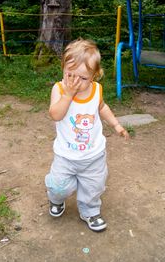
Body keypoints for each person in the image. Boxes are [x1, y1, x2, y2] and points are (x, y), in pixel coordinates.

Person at [45, 38, 129, 232]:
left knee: (94, 186)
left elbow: (102, 107)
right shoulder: (59, 89)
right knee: (59, 186)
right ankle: (56, 198)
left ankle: (90, 211)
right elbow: (55, 115)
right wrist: (68, 95)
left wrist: (116, 124)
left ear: (94, 75)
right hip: (66, 156)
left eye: (82, 78)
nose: (75, 82)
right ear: (63, 69)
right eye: (70, 75)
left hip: (94, 155)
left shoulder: (97, 90)